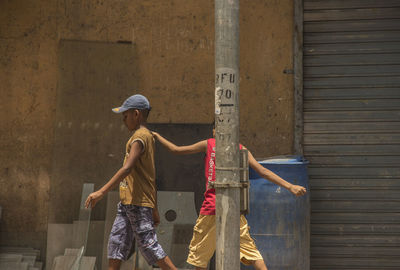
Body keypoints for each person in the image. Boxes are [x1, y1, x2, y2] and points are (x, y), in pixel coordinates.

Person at [151, 127, 307, 270]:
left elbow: (176, 150)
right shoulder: (238, 147)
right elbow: (263, 171)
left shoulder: (211, 143)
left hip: (211, 207)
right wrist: (290, 186)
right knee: (250, 250)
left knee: (199, 256)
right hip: (233, 207)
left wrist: (158, 136)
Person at [85, 94, 177, 270]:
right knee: (116, 243)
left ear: (136, 114)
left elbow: (127, 168)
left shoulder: (140, 137)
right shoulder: (145, 136)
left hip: (138, 204)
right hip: (128, 203)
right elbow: (149, 177)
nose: (123, 120)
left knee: (149, 245)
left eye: (125, 116)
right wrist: (155, 208)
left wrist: (101, 192)